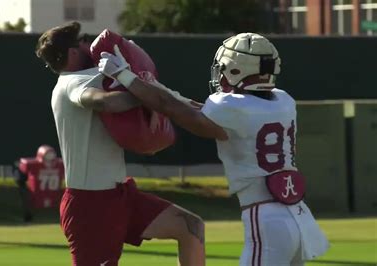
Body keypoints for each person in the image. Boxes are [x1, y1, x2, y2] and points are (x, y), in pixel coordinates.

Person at [98, 33, 329, 265]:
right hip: (297, 216)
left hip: (266, 219)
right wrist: (153, 85)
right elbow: (193, 108)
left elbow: (174, 109)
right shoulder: (283, 101)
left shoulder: (231, 107)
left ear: (236, 69)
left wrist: (123, 76)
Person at [35, 21, 206, 266]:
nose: (87, 44)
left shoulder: (95, 74)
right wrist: (143, 94)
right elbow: (107, 103)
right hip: (90, 206)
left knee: (191, 228)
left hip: (120, 195)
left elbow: (160, 92)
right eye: (81, 41)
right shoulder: (70, 83)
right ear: (73, 52)